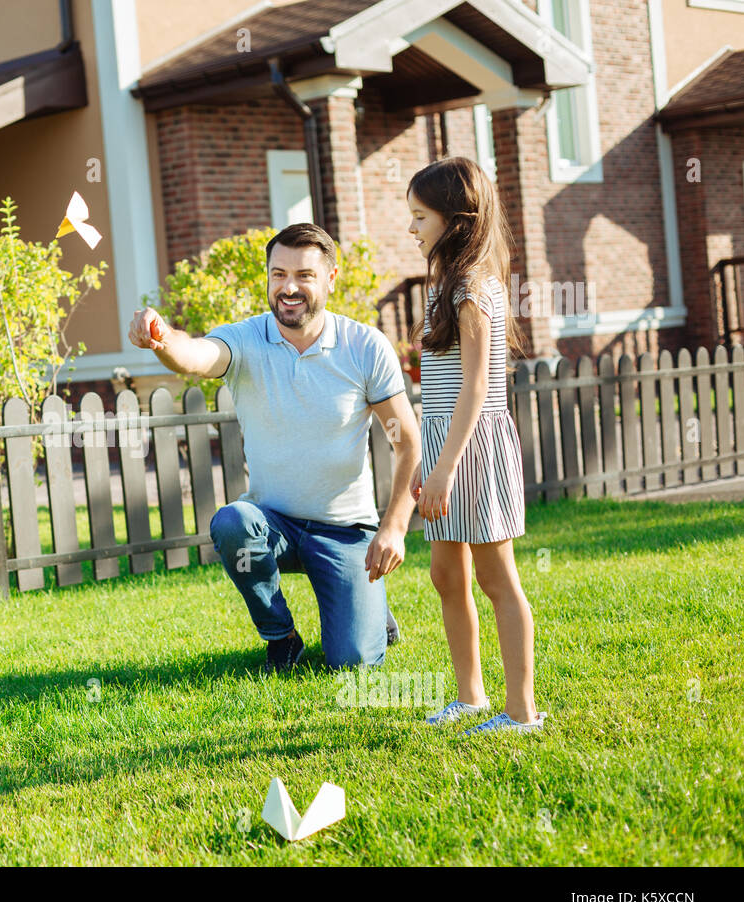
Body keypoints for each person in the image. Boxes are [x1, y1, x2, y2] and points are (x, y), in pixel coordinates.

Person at [128, 223, 420, 674]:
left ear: (331, 278)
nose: (289, 287)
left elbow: (407, 443)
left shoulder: (364, 347)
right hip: (274, 524)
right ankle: (281, 638)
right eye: (278, 274)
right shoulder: (245, 340)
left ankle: (369, 611)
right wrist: (162, 338)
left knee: (353, 663)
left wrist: (395, 527)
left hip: (345, 531)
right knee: (233, 523)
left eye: (304, 275)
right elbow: (197, 355)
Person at [405, 156, 545, 733]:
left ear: (454, 219)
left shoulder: (471, 285)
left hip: (473, 447)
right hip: (445, 443)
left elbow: (478, 385)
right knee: (446, 575)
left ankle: (522, 712)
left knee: (496, 578)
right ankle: (470, 698)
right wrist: (428, 462)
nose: (411, 228)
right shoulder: (446, 284)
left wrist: (444, 470)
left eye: (419, 216)